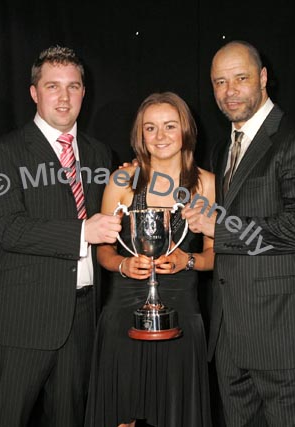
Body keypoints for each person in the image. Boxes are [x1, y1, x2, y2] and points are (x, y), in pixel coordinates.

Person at [183, 40, 295, 426]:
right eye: (220, 82)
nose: (229, 91)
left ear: (263, 78)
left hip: (285, 337)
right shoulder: (222, 149)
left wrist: (220, 226)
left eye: (240, 78)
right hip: (231, 338)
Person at [0, 45, 121, 427]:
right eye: (53, 86)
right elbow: (10, 229)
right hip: (25, 319)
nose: (64, 97)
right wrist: (83, 231)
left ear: (83, 92)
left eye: (73, 87)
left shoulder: (99, 154)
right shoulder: (3, 153)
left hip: (83, 318)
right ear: (34, 92)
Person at [86, 92, 215, 427]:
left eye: (170, 126)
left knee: (176, 416)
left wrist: (188, 260)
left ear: (186, 130)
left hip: (182, 316)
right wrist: (122, 264)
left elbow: (216, 255)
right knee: (121, 418)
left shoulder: (208, 185)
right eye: (150, 128)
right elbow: (103, 249)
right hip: (122, 314)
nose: (160, 137)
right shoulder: (122, 180)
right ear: (139, 134)